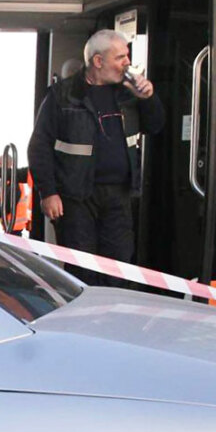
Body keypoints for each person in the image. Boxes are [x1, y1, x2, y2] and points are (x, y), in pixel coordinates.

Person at [27, 29, 166, 273]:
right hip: (76, 197)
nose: (127, 63)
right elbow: (39, 146)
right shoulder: (63, 95)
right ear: (98, 61)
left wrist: (148, 98)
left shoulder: (127, 93)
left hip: (119, 196)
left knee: (119, 263)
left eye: (127, 56)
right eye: (120, 57)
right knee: (82, 266)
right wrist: (48, 192)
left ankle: (112, 310)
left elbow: (155, 126)